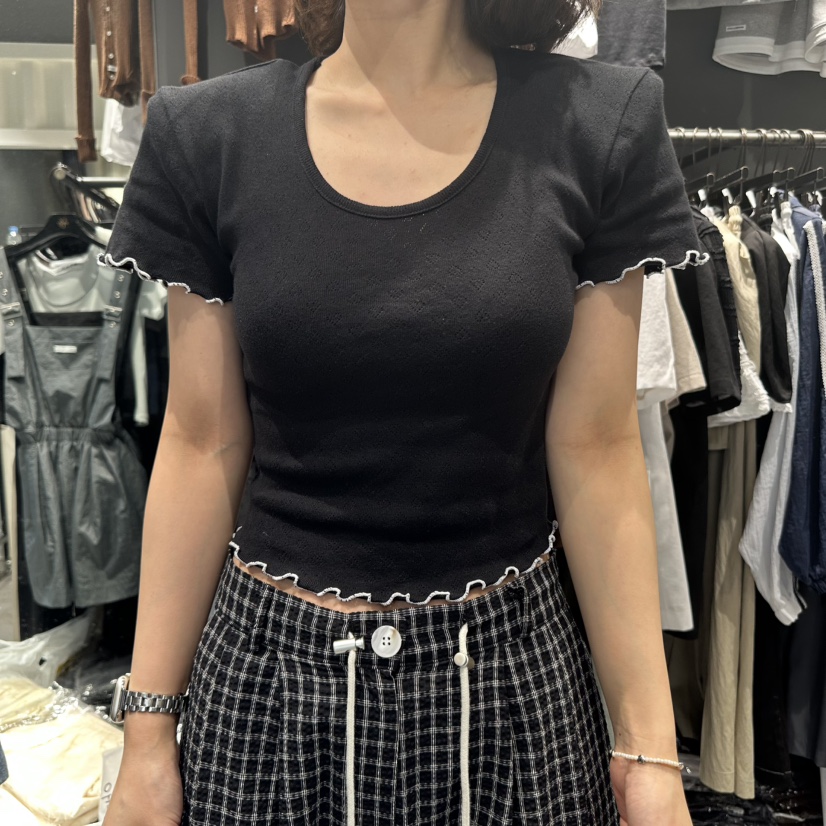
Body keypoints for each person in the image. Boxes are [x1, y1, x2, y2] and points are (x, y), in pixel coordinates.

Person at [101, 0, 706, 823]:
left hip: (514, 697)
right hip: (268, 698)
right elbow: (201, 440)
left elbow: (597, 446)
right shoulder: (206, 134)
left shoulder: (601, 123)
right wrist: (146, 733)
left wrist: (649, 755)